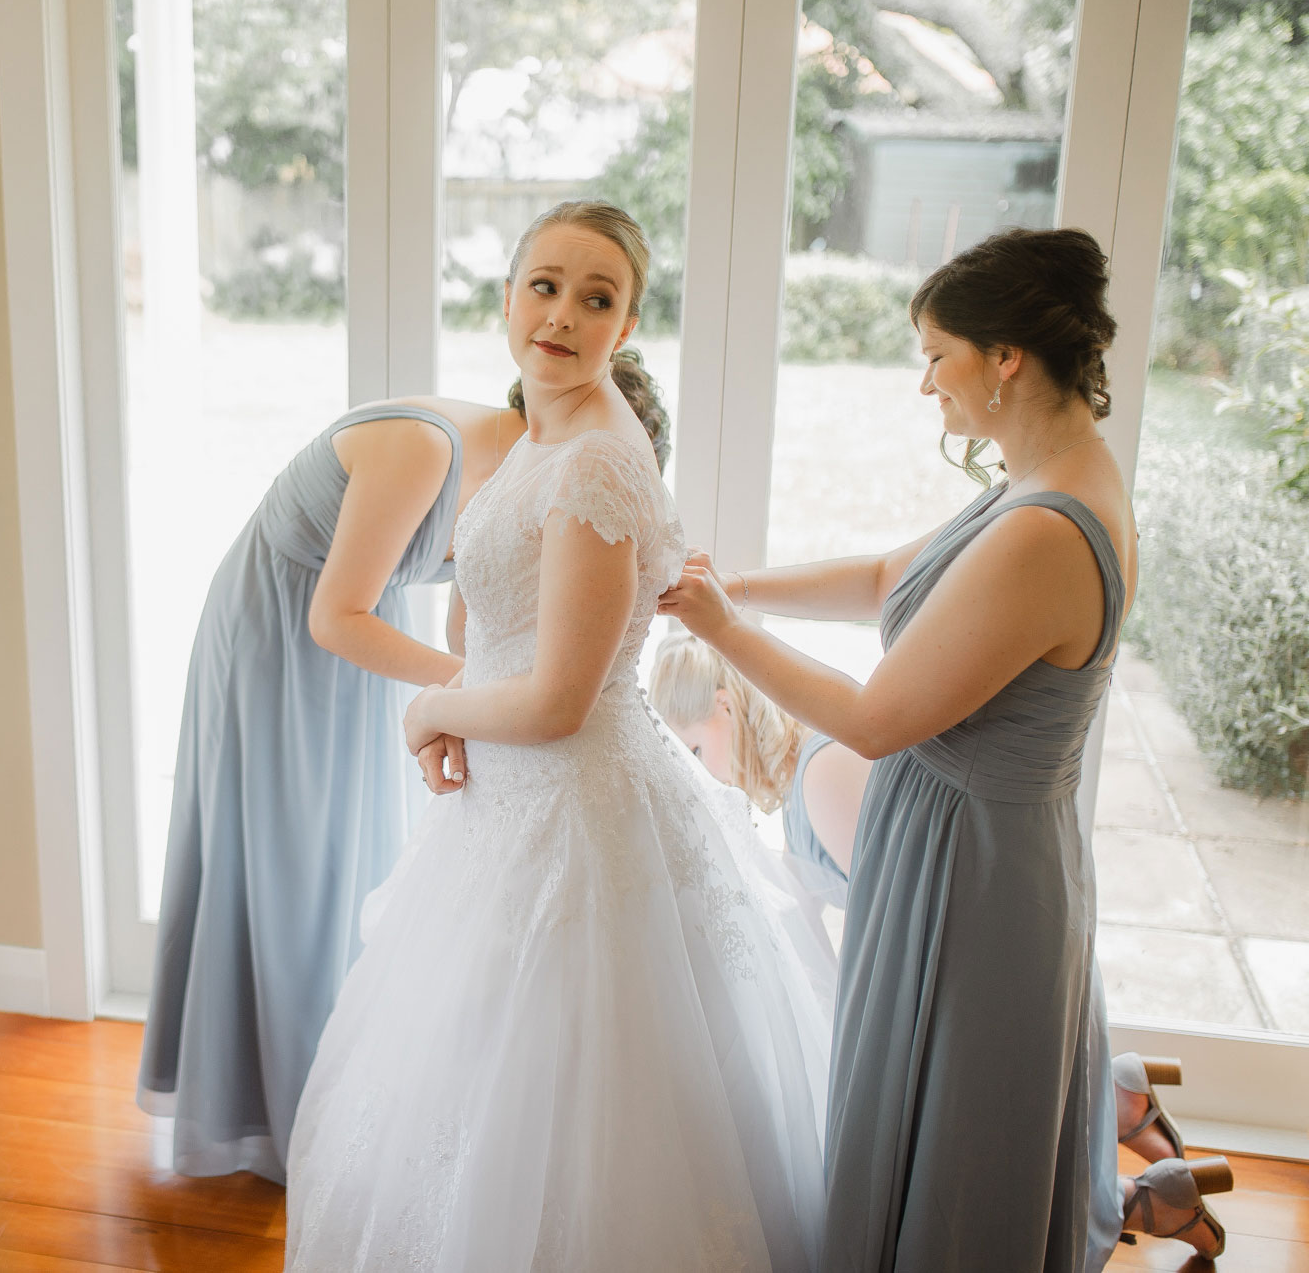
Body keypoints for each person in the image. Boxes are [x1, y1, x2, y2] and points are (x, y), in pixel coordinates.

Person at [659, 226, 1231, 1269]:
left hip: (975, 874)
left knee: (962, 1140)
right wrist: (733, 583)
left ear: (1003, 356)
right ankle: (1145, 1183)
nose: (925, 384)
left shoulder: (1046, 528)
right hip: (965, 841)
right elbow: (886, 576)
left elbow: (875, 721)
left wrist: (721, 633)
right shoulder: (1036, 481)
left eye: (935, 355)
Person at [285, 201, 834, 1271]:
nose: (562, 315)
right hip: (511, 800)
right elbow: (495, 626)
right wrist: (460, 705)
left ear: (625, 326)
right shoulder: (538, 434)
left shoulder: (592, 463)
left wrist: (432, 708)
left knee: (574, 1108)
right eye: (543, 286)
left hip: (570, 810)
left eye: (597, 298)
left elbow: (556, 702)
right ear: (505, 297)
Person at [137, 344, 668, 1185]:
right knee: (290, 869)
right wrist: (471, 692)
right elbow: (333, 615)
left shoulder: (532, 482)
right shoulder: (428, 449)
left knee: (352, 855)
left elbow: (488, 623)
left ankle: (315, 1082)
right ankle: (270, 1104)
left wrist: (476, 687)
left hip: (362, 633)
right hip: (283, 633)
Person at [651, 628, 865, 907]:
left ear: (725, 706)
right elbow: (800, 914)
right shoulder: (796, 793)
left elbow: (890, 909)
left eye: (696, 751)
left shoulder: (823, 771)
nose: (700, 774)